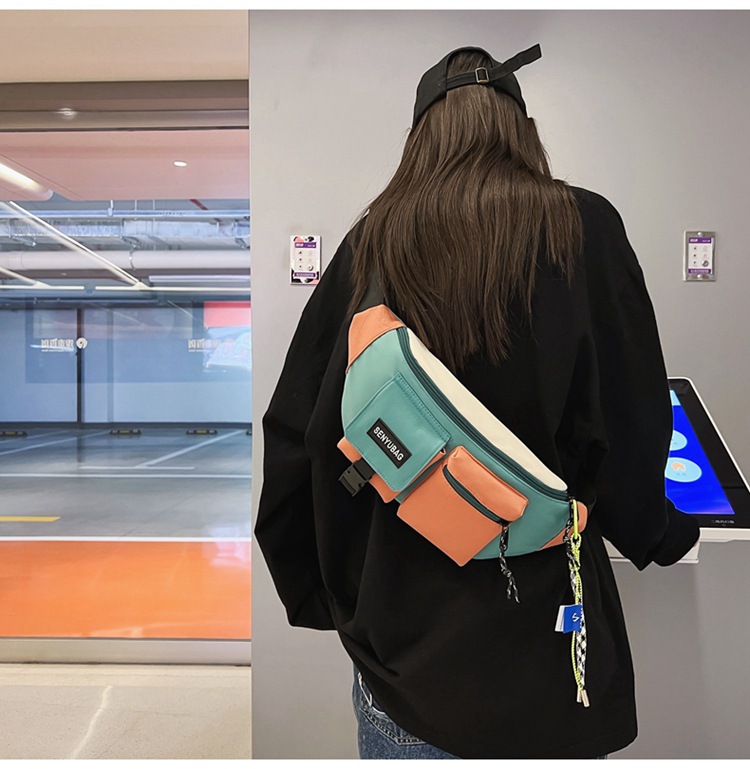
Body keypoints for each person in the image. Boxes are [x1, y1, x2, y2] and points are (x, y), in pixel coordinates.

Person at [255, 43, 700, 759]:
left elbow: (298, 434)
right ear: (523, 130)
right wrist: (660, 534)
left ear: (419, 137)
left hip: (405, 655)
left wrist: (326, 596)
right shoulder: (584, 227)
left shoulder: (371, 242)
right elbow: (630, 421)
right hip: (547, 652)